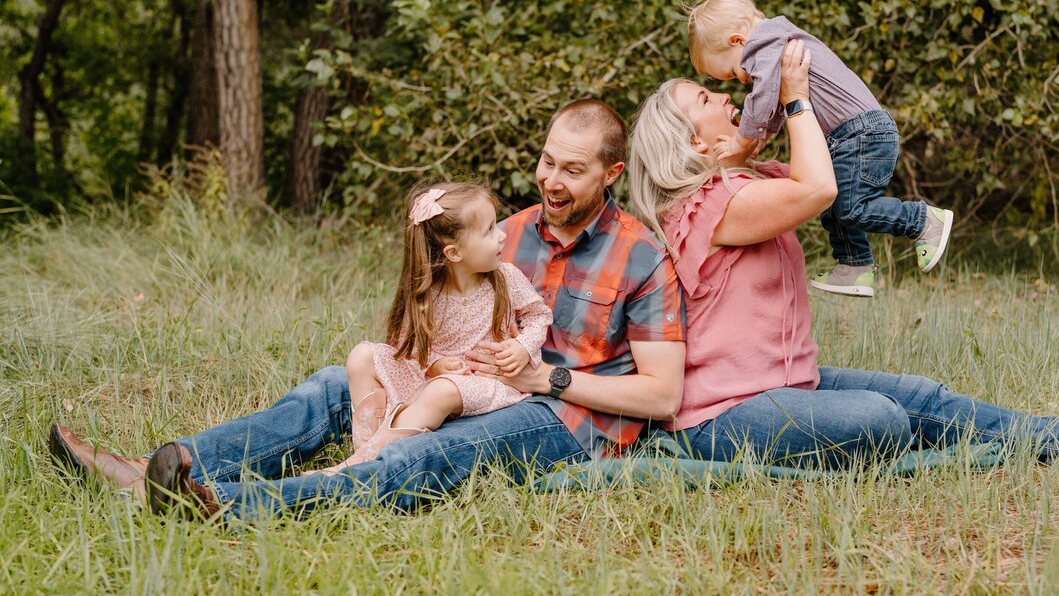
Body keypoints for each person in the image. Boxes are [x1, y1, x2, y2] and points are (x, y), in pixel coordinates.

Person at [49, 99, 687, 520]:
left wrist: (546, 377)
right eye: (547, 161)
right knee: (334, 386)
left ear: (610, 173)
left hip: (566, 419)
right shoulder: (508, 232)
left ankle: (222, 504)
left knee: (423, 453)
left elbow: (662, 397)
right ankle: (148, 472)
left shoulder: (641, 258)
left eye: (572, 170)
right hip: (477, 382)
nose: (551, 180)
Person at [627, 37, 1059, 469]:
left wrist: (780, 111)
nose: (725, 96)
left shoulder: (744, 186)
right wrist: (792, 96)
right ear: (693, 143)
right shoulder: (709, 206)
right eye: (705, 98)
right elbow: (817, 189)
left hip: (785, 385)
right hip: (723, 416)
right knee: (881, 418)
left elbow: (826, 173)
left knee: (921, 396)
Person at [686, 0, 952, 298]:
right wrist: (758, 137)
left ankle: (921, 221)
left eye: (734, 72)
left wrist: (742, 138)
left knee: (853, 208)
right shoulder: (774, 44)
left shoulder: (764, 44)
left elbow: (762, 98)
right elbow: (775, 103)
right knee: (835, 206)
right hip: (853, 134)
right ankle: (854, 266)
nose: (742, 80)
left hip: (860, 133)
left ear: (737, 41)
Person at [315, 182, 553, 475]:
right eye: (489, 230)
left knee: (441, 392)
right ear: (453, 253)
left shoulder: (505, 277)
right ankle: (369, 451)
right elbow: (407, 343)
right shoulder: (428, 291)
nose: (502, 236)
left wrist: (522, 347)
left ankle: (352, 468)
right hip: (436, 379)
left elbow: (538, 315)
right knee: (361, 356)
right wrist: (436, 364)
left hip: (491, 383)